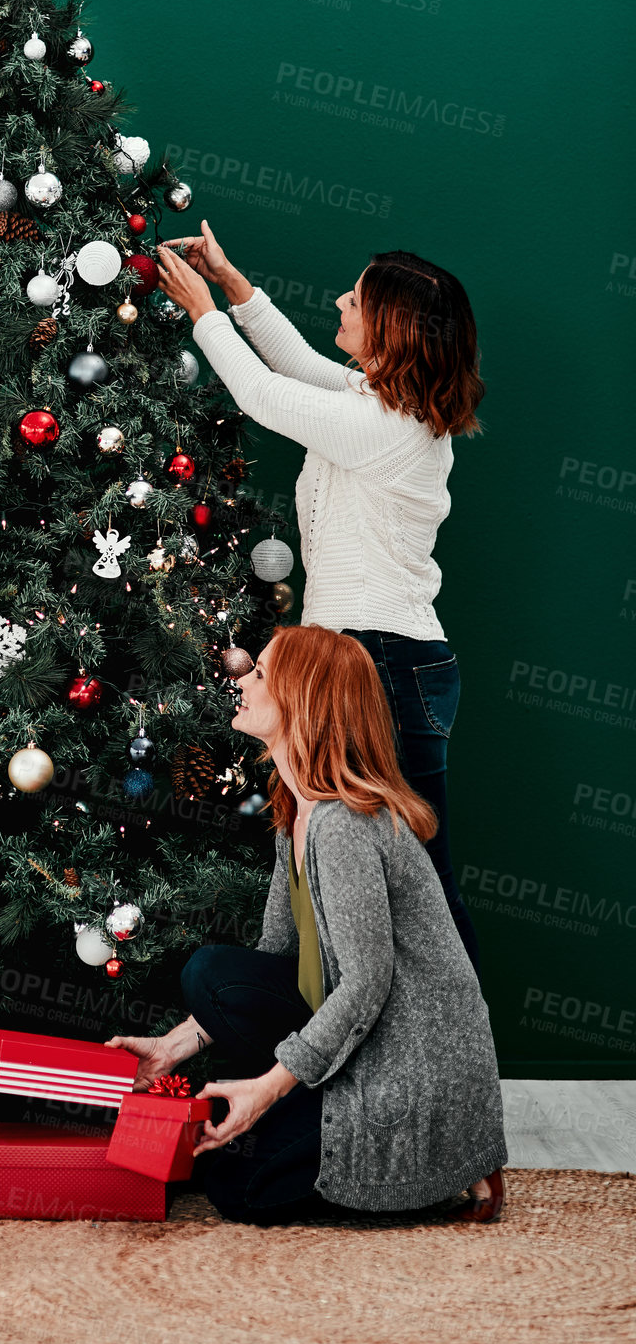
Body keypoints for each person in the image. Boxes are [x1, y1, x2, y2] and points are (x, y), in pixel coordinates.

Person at [155, 227, 484, 971]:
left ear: (391, 329)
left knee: (422, 879)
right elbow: (300, 368)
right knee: (368, 872)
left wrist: (202, 310)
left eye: (357, 298)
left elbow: (265, 395)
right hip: (366, 659)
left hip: (387, 665)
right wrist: (236, 289)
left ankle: (456, 1057)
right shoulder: (380, 402)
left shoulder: (390, 427)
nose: (339, 300)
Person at [109, 625, 506, 1227]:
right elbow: (274, 957)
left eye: (260, 674)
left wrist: (267, 1090)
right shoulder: (296, 810)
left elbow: (366, 985)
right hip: (363, 1041)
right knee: (213, 977)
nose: (241, 680)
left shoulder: (344, 825)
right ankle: (305, 1116)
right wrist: (171, 1048)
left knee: (236, 1188)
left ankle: (446, 1157)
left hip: (410, 1068)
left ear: (303, 703)